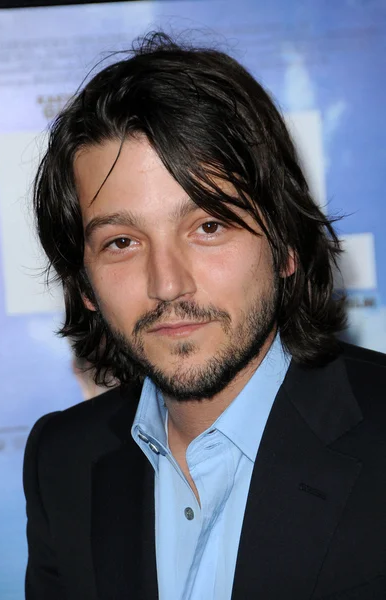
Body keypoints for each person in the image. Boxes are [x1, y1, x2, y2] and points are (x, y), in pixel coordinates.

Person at [24, 32, 386, 600]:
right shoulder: (62, 462)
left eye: (209, 226)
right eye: (121, 242)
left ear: (287, 244)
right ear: (84, 282)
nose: (167, 283)